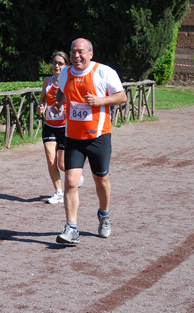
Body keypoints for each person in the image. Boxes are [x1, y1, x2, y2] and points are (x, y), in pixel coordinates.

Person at [51, 38, 127, 245]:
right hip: (73, 137)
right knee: (71, 182)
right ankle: (71, 228)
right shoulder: (66, 73)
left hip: (99, 137)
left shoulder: (104, 72)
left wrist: (101, 101)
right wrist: (58, 103)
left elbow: (122, 97)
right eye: (73, 52)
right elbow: (62, 91)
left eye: (81, 52)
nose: (76, 56)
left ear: (90, 54)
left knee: (101, 181)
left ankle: (104, 215)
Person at [37, 51, 83, 204]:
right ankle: (58, 192)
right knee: (51, 160)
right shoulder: (47, 81)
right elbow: (42, 99)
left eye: (60, 63)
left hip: (65, 127)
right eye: (54, 62)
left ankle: (78, 176)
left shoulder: (69, 80)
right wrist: (41, 106)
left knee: (62, 164)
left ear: (66, 65)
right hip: (49, 125)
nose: (56, 66)